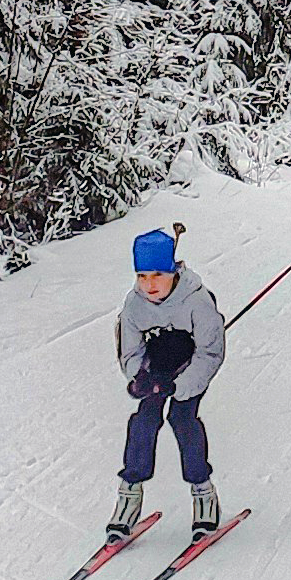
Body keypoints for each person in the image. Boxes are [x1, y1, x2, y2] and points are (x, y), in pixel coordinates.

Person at [110, 227, 227, 542]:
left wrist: (178, 387)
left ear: (173, 271)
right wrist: (142, 378)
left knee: (181, 418)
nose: (149, 284)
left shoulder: (197, 301)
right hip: (158, 367)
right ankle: (129, 495)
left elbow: (210, 353)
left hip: (190, 367)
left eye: (158, 275)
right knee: (143, 421)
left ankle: (203, 492)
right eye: (142, 276)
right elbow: (129, 351)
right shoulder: (134, 304)